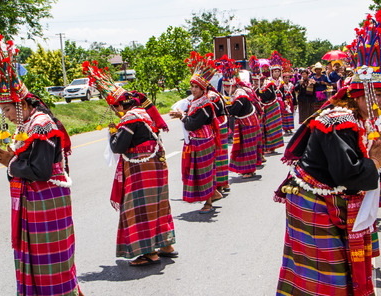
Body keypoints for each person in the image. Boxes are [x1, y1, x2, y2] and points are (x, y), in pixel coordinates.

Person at [275, 11, 381, 295]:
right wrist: (377, 161)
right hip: (313, 202)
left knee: (333, 274)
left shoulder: (359, 119)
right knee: (327, 279)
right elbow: (347, 174)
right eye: (377, 95)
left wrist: (375, 160)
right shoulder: (340, 119)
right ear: (358, 94)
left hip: (325, 198)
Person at [0, 29, 83, 295]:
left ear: (21, 103)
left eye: (8, 109)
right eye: (3, 111)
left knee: (50, 259)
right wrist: (11, 161)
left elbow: (41, 170)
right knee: (36, 258)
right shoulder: (25, 125)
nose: (7, 116)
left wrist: (10, 163)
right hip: (33, 203)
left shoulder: (42, 125)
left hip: (46, 203)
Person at [83, 61, 176, 265]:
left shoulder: (130, 118)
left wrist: (114, 132)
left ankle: (147, 252)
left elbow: (118, 147)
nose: (115, 113)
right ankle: (165, 244)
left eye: (114, 108)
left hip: (141, 170)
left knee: (139, 208)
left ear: (118, 104)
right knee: (158, 204)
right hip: (155, 166)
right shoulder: (143, 113)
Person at [170, 52, 222, 213]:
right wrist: (182, 115)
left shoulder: (205, 104)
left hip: (203, 142)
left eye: (196, 87)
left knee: (203, 172)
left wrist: (182, 116)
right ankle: (214, 193)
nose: (193, 89)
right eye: (192, 86)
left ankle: (208, 203)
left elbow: (192, 124)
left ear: (203, 88)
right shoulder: (196, 101)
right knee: (204, 171)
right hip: (199, 142)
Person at [220, 55, 261, 179]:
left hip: (249, 124)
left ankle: (249, 170)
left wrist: (224, 108)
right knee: (245, 148)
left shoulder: (240, 95)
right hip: (247, 124)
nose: (226, 89)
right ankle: (247, 170)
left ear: (233, 85)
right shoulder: (236, 93)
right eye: (225, 86)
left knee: (248, 148)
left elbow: (234, 111)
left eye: (228, 86)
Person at [280, 62, 296, 134]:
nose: (287, 79)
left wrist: (295, 104)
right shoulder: (281, 85)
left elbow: (294, 95)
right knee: (285, 115)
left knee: (290, 114)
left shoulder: (291, 85)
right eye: (285, 77)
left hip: (291, 101)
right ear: (283, 78)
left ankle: (290, 128)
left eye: (288, 77)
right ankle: (285, 129)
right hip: (284, 101)